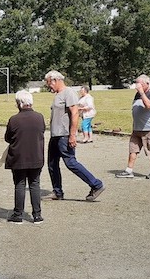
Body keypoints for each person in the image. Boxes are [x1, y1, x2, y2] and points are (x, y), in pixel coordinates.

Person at [45, 71, 105, 202]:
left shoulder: (69, 93)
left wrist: (72, 135)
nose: (48, 86)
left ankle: (96, 184)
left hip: (64, 135)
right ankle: (57, 192)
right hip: (55, 135)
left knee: (71, 162)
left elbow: (75, 114)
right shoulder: (58, 95)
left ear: (55, 80)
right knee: (52, 165)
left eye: (48, 83)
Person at [4, 90, 45, 224]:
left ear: (19, 103)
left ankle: (18, 214)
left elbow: (8, 138)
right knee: (35, 184)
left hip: (19, 157)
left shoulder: (14, 119)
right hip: (36, 156)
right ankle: (37, 215)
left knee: (20, 184)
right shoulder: (39, 117)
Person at [116, 74, 150, 179]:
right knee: (133, 149)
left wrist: (141, 92)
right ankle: (129, 170)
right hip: (137, 128)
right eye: (136, 83)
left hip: (149, 128)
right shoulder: (137, 94)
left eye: (139, 83)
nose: (137, 86)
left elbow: (149, 105)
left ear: (147, 83)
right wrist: (140, 93)